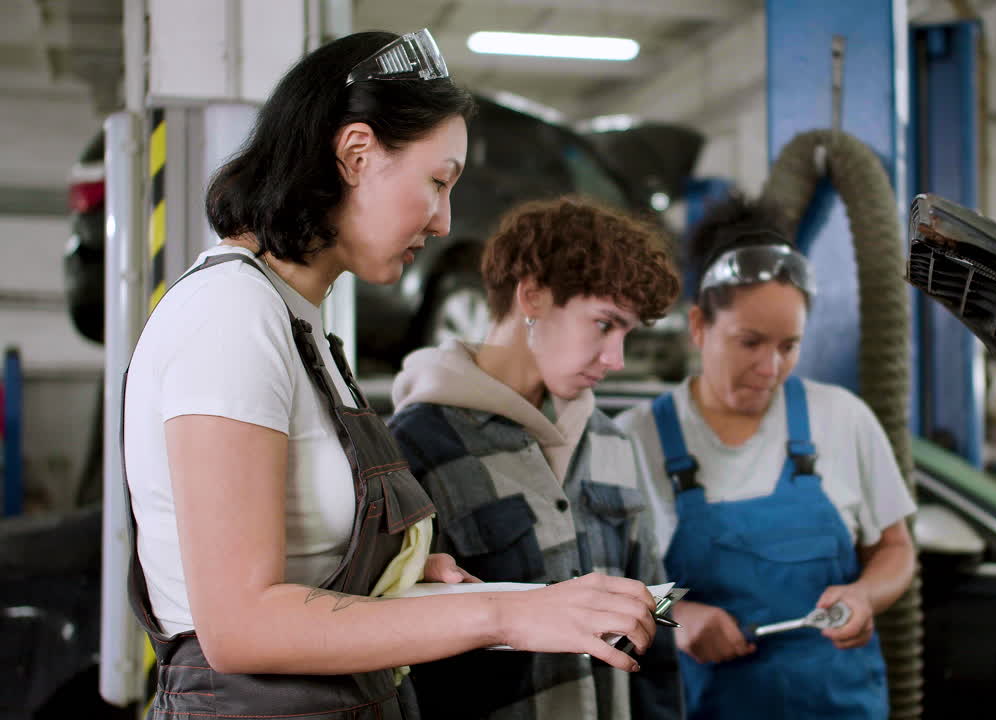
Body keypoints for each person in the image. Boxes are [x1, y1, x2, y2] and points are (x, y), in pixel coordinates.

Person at [122, 30, 658, 720]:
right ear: (356, 154)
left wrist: (397, 577)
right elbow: (240, 627)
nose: (444, 222)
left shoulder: (301, 325)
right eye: (438, 182)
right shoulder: (229, 314)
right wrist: (510, 611)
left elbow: (305, 571)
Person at [616, 195, 917, 719]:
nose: (770, 366)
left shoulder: (842, 419)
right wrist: (678, 616)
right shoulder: (633, 441)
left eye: (788, 345)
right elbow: (602, 586)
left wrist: (866, 595)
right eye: (749, 342)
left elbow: (895, 549)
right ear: (698, 326)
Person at [388, 195, 684, 719]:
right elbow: (396, 654)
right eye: (603, 324)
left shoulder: (614, 444)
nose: (615, 360)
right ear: (532, 296)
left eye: (627, 334)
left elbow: (654, 637)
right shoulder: (415, 446)